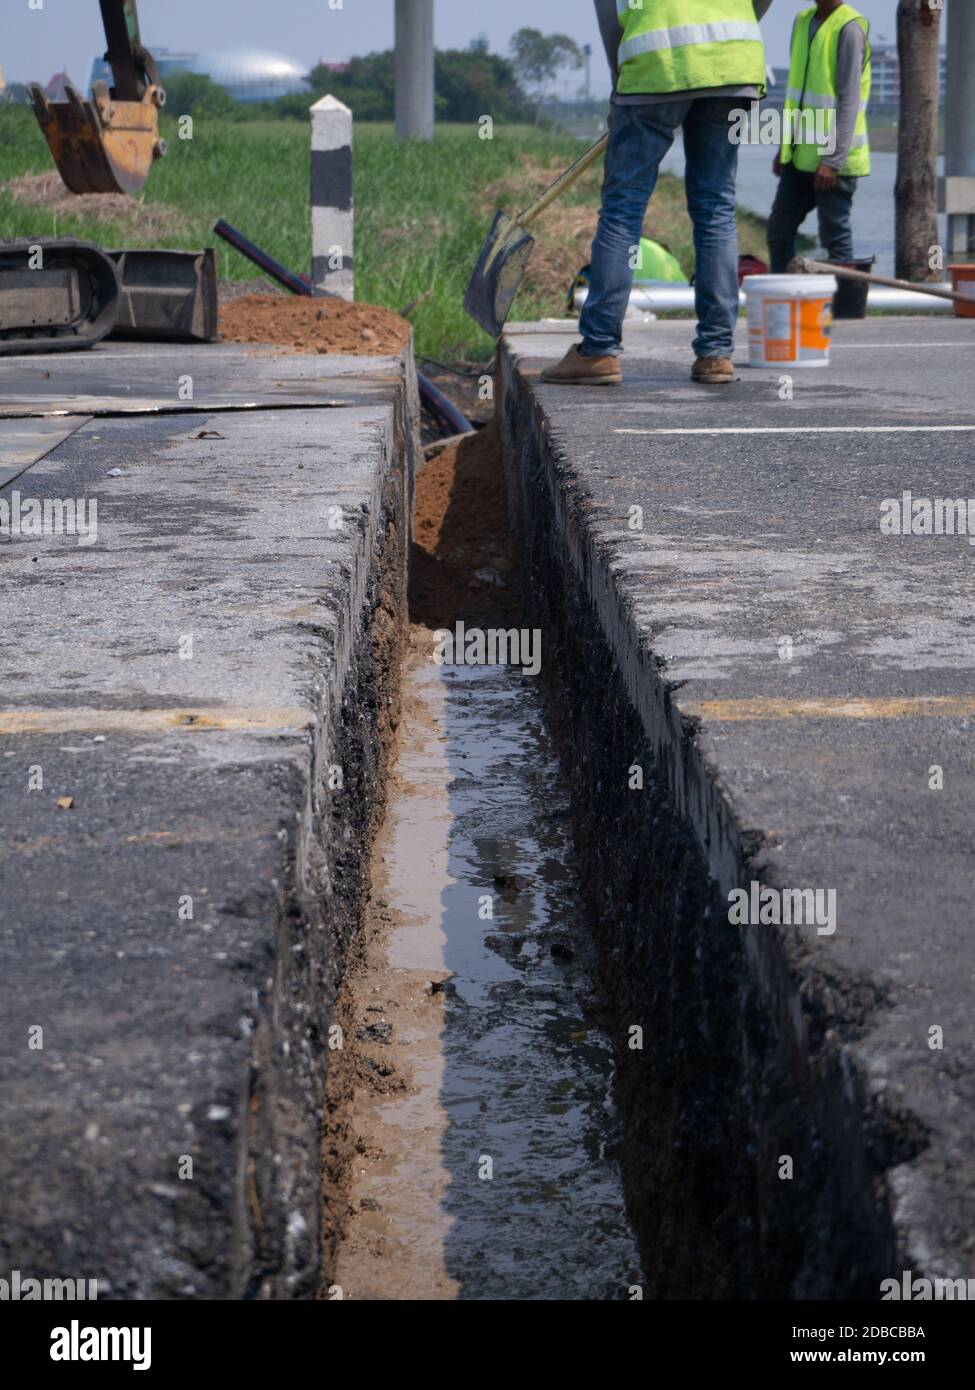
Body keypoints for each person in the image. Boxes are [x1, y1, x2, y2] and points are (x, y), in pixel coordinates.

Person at [542, 0, 773, 389]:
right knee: (716, 206)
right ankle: (716, 353)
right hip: (733, 62)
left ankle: (598, 349)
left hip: (656, 64)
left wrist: (621, 85)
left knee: (623, 207)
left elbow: (611, 15)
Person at [767, 1, 871, 273]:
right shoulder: (802, 21)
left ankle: (845, 308)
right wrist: (784, 146)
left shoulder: (850, 28)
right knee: (779, 231)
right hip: (800, 158)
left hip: (834, 163)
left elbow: (849, 100)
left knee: (835, 238)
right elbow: (798, 93)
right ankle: (784, 300)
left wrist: (833, 160)